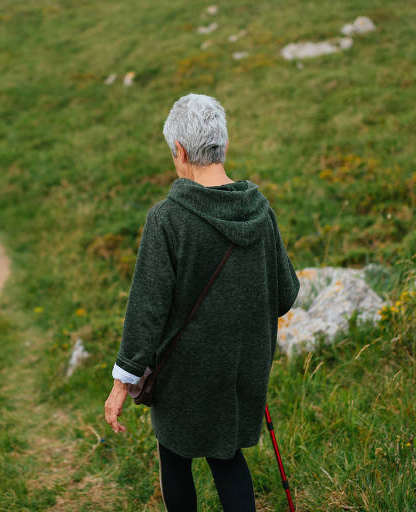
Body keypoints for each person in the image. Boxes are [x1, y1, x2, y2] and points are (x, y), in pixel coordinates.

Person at [104, 93, 301, 511]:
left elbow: (148, 309)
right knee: (228, 462)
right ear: (222, 145)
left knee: (174, 459)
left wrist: (123, 382)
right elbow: (285, 295)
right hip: (242, 373)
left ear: (180, 151)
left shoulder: (168, 219)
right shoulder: (260, 212)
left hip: (184, 379)